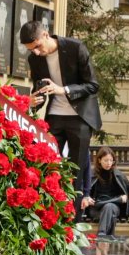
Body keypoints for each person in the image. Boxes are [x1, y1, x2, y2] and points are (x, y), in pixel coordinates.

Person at [22, 18, 102, 197]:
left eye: (37, 46)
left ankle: (73, 221)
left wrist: (62, 90)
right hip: (55, 117)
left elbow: (92, 85)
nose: (35, 52)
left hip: (80, 117)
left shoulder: (75, 47)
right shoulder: (34, 59)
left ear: (45, 34)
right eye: (30, 49)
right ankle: (51, 219)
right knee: (47, 167)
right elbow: (39, 88)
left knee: (76, 175)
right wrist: (34, 101)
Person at [82, 147, 129, 238]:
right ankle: (105, 237)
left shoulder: (119, 175)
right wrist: (86, 197)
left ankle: (101, 235)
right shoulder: (91, 174)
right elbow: (83, 189)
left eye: (111, 160)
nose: (108, 163)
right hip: (96, 208)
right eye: (105, 160)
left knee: (109, 206)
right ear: (99, 160)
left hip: (113, 208)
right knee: (109, 209)